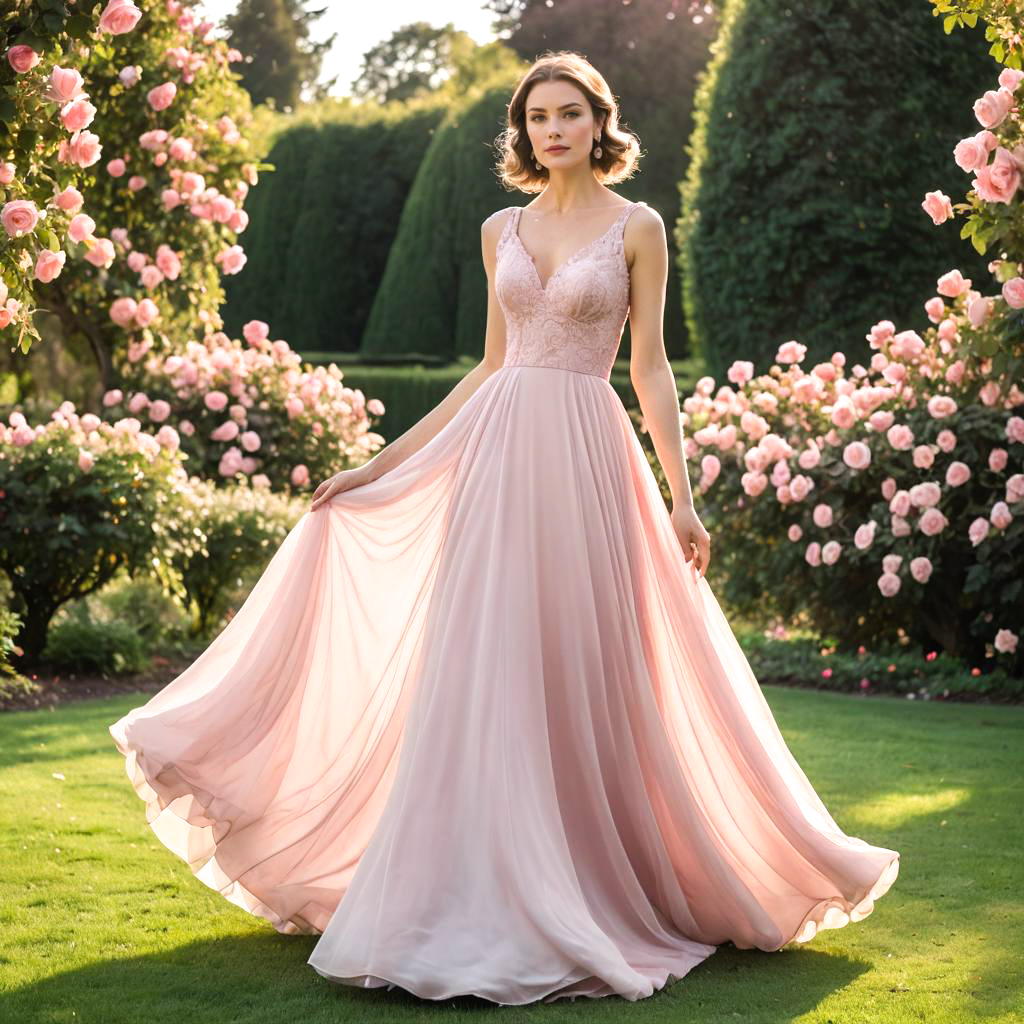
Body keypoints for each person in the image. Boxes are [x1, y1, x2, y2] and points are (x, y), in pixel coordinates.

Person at [109, 50, 899, 1006]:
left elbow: (648, 371)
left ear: (599, 124)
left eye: (568, 114)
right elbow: (489, 367)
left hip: (587, 457)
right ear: (522, 133)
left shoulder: (639, 226)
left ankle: (587, 878)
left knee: (580, 660)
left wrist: (683, 498)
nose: (552, 130)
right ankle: (472, 880)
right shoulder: (500, 230)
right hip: (499, 459)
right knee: (484, 661)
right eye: (536, 118)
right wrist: (377, 464)